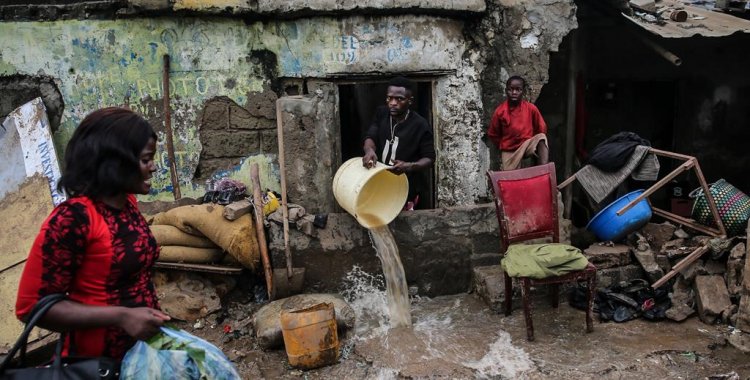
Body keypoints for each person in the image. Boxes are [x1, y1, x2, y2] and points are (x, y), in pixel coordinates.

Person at [15, 107, 170, 360]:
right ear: (116, 162)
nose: (152, 167)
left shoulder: (127, 205)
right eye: (145, 159)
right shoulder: (73, 220)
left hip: (139, 356)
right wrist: (122, 316)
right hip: (94, 363)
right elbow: (30, 307)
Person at [362, 76, 435, 209]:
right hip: (380, 180)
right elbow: (371, 135)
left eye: (399, 99)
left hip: (407, 185)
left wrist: (409, 166)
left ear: (410, 101)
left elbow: (429, 158)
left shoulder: (420, 124)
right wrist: (369, 150)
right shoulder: (381, 113)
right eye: (389, 98)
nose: (393, 103)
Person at [487, 75, 549, 170]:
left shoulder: (531, 108)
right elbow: (493, 134)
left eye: (518, 89)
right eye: (510, 89)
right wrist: (504, 144)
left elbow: (541, 128)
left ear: (523, 91)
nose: (514, 92)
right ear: (506, 91)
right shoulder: (500, 111)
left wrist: (530, 139)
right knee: (511, 180)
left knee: (541, 137)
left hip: (526, 144)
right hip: (509, 150)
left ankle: (543, 170)